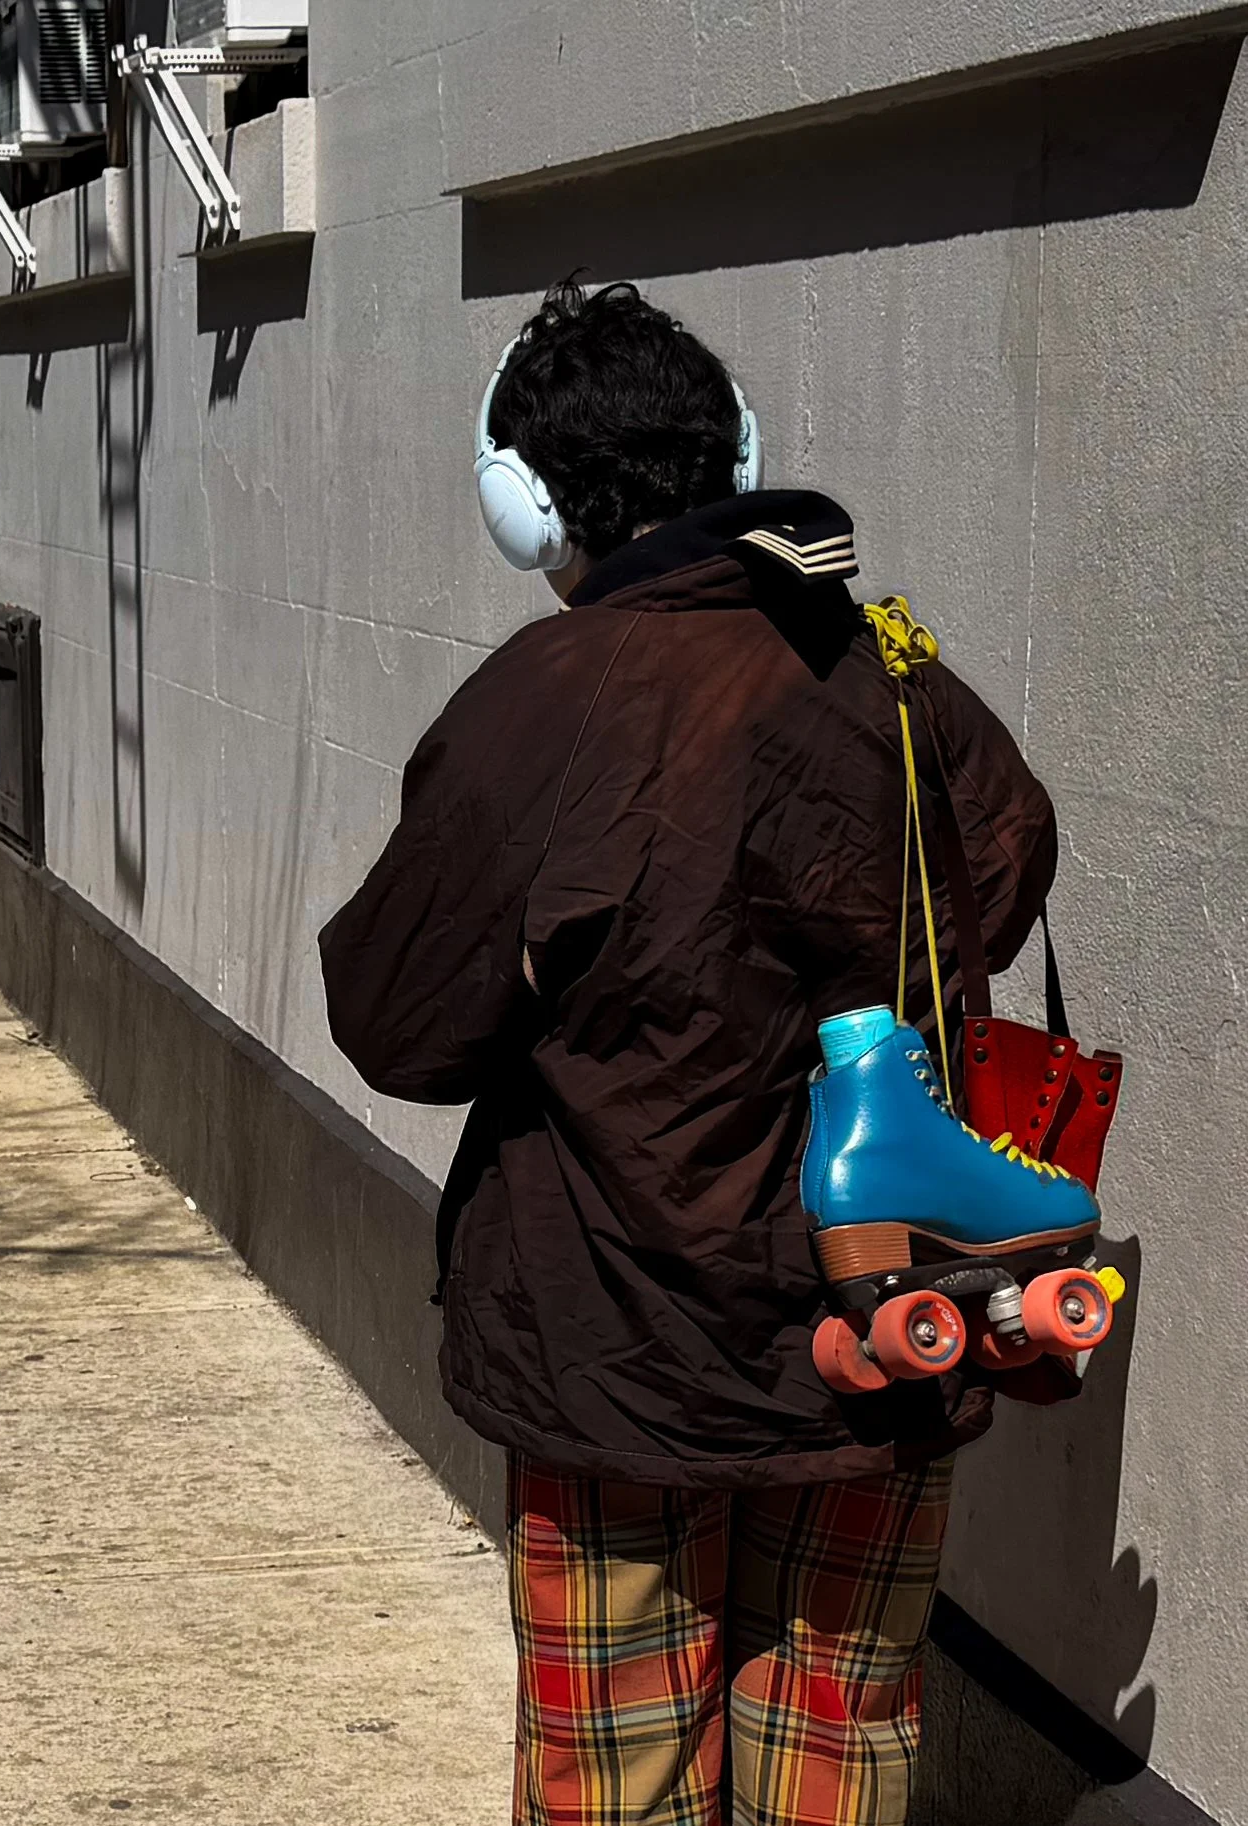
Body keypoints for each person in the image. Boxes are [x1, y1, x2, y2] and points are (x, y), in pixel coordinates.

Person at [318, 280, 1058, 1826]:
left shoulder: (547, 698)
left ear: (523, 506)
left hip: (616, 1337)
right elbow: (1004, 869)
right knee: (840, 1730)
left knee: (620, 1768)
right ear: (734, 454)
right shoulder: (890, 662)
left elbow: (395, 1018)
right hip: (886, 1304)